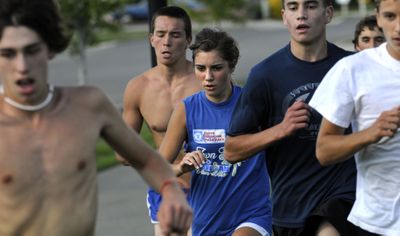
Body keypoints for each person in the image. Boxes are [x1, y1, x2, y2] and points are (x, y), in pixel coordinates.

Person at [0, 0, 192, 235]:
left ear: (49, 49)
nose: (22, 66)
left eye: (32, 51)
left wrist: (170, 190)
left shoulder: (89, 105)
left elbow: (146, 160)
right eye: (8, 54)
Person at [224, 0, 360, 235]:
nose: (301, 15)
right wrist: (281, 129)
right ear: (284, 16)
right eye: (294, 7)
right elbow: (232, 150)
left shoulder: (351, 67)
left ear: (328, 13)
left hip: (345, 197)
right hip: (291, 207)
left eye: (310, 6)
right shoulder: (265, 74)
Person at [159, 27, 272, 236]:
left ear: (232, 65)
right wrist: (181, 167)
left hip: (252, 215)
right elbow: (157, 169)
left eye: (216, 68)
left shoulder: (253, 104)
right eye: (201, 68)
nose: (208, 77)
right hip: (206, 220)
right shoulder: (186, 109)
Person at [309, 0, 400, 234]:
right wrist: (372, 132)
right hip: (379, 223)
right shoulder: (352, 69)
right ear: (378, 18)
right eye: (390, 17)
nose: (398, 27)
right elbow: (324, 151)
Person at [115, 6, 201, 236]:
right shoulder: (138, 88)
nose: (166, 42)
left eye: (175, 35)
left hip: (208, 190)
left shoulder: (206, 82)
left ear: (188, 40)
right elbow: (122, 153)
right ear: (151, 39)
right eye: (161, 34)